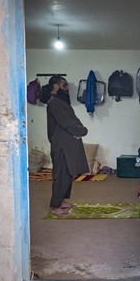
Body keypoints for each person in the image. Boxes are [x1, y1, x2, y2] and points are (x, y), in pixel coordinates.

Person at [46, 76, 89, 216]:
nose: (67, 88)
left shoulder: (61, 102)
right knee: (61, 175)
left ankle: (62, 200)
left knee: (68, 174)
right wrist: (80, 131)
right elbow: (67, 123)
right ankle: (55, 206)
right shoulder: (54, 103)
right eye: (64, 85)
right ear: (56, 87)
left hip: (68, 144)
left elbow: (73, 120)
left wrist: (80, 130)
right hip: (61, 145)